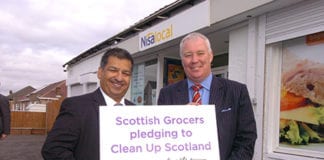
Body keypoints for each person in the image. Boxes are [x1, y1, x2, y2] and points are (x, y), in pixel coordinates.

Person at [158, 32, 257, 160]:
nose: (194, 60)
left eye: (200, 53)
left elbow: (247, 140)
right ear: (182, 61)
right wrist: (179, 118)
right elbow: (161, 140)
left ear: (210, 56)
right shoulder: (167, 94)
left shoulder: (237, 91)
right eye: (188, 55)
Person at [42, 47, 135, 160]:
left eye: (126, 73)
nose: (119, 78)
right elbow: (53, 150)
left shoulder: (136, 112)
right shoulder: (76, 107)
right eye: (113, 70)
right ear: (100, 73)